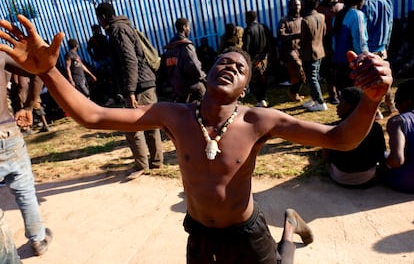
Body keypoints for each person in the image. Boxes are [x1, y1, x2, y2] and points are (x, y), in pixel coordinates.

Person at [0, 15, 392, 263]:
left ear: (243, 89)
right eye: (224, 61)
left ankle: (288, 227)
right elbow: (93, 115)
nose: (231, 67)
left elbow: (340, 139)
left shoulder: (259, 120)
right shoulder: (174, 115)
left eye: (240, 68)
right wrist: (49, 72)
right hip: (199, 233)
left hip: (246, 231)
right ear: (208, 73)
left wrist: (371, 101)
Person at [95, 3, 164, 180]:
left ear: (102, 17)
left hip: (138, 85)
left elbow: (129, 61)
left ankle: (142, 165)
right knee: (150, 124)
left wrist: (130, 91)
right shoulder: (125, 25)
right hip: (146, 81)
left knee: (132, 126)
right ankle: (156, 162)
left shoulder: (117, 30)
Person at [0, 51, 53, 256]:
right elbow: (38, 72)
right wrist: (29, 106)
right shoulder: (1, 53)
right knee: (24, 190)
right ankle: (38, 239)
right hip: (6, 132)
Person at [323, 86, 386, 187]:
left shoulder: (333, 127)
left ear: (350, 106)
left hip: (340, 177)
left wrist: (326, 164)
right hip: (368, 177)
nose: (337, 107)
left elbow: (326, 157)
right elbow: (381, 155)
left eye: (341, 102)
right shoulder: (375, 127)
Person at [361, 0, 397, 120]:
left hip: (370, 49)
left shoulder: (365, 4)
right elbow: (390, 25)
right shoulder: (387, 2)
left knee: (370, 82)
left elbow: (363, 30)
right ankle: (391, 104)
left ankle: (376, 111)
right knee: (384, 77)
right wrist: (386, 44)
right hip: (382, 48)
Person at [332, 0, 368, 92]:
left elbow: (334, 45)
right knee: (356, 100)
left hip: (339, 64)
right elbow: (360, 43)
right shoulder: (357, 15)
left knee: (346, 100)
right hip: (353, 66)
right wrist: (366, 59)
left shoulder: (338, 16)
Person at [164, 17, 207, 103]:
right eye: (188, 27)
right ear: (184, 27)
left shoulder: (170, 47)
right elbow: (193, 66)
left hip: (177, 86)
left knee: (183, 107)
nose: (189, 29)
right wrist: (204, 77)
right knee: (204, 94)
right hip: (188, 85)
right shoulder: (185, 45)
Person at [384, 80, 414, 193]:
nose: (395, 106)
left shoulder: (398, 121)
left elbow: (397, 160)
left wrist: (383, 167)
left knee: (383, 156)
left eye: (396, 102)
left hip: (405, 183)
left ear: (406, 102)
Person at [300, 0, 328, 112]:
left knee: (312, 78)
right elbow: (325, 32)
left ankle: (320, 102)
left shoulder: (305, 20)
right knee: (315, 76)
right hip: (320, 51)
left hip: (309, 53)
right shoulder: (322, 16)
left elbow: (303, 39)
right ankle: (314, 99)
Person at [317, 0, 344, 104]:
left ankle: (341, 93)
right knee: (329, 69)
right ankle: (332, 94)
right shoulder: (319, 8)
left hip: (341, 40)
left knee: (341, 68)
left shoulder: (341, 5)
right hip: (326, 41)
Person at [278, 0, 307, 103]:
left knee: (301, 76)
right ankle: (292, 92)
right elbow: (281, 36)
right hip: (290, 52)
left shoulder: (302, 19)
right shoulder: (284, 20)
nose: (297, 7)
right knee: (300, 73)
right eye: (294, 5)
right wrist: (295, 36)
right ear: (290, 7)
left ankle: (295, 93)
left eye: (298, 5)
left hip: (302, 51)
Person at [242, 10, 272, 108]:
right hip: (264, 58)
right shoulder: (263, 27)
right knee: (263, 78)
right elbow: (270, 40)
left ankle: (260, 99)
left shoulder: (248, 30)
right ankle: (263, 98)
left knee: (254, 80)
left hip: (254, 59)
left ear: (247, 18)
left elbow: (246, 47)